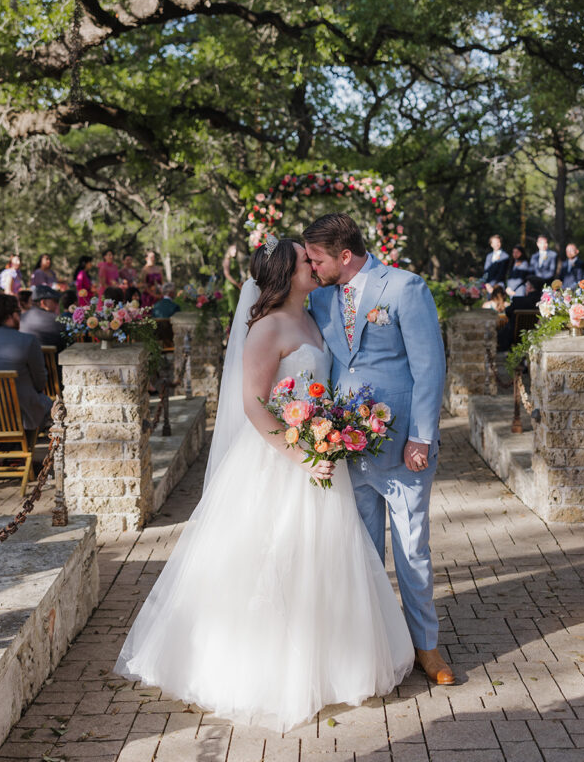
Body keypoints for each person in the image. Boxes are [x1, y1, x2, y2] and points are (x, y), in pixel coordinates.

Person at [115, 237, 414, 731]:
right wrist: (301, 455)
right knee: (274, 558)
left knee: (324, 560)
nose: (313, 265)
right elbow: (254, 403)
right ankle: (271, 671)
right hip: (281, 460)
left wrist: (332, 437)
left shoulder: (315, 315)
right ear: (283, 273)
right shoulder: (267, 328)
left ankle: (331, 662)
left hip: (321, 454)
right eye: (304, 260)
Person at [303, 213, 452, 686]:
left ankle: (427, 647)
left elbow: (430, 367)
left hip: (403, 446)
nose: (311, 265)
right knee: (363, 552)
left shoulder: (405, 287)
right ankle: (376, 649)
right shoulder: (321, 297)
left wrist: (422, 437)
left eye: (317, 258)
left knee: (412, 550)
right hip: (349, 446)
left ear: (344, 256)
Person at [0, 293, 52, 432]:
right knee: (49, 403)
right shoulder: (28, 341)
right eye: (18, 314)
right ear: (11, 316)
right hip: (20, 418)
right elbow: (40, 383)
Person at [498, 276, 543, 352]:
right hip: (535, 334)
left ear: (529, 287)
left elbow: (507, 312)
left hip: (514, 335)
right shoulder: (544, 303)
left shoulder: (519, 301)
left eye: (526, 285)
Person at [20, 285, 67, 352]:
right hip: (54, 361)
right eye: (55, 301)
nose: (57, 304)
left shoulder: (21, 318)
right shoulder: (56, 321)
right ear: (43, 303)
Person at [222, 244, 243, 316]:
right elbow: (227, 274)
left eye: (236, 250)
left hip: (237, 285)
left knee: (238, 305)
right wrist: (236, 283)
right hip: (231, 286)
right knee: (233, 307)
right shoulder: (227, 260)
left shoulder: (235, 260)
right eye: (233, 250)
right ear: (229, 251)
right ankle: (233, 324)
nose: (235, 251)